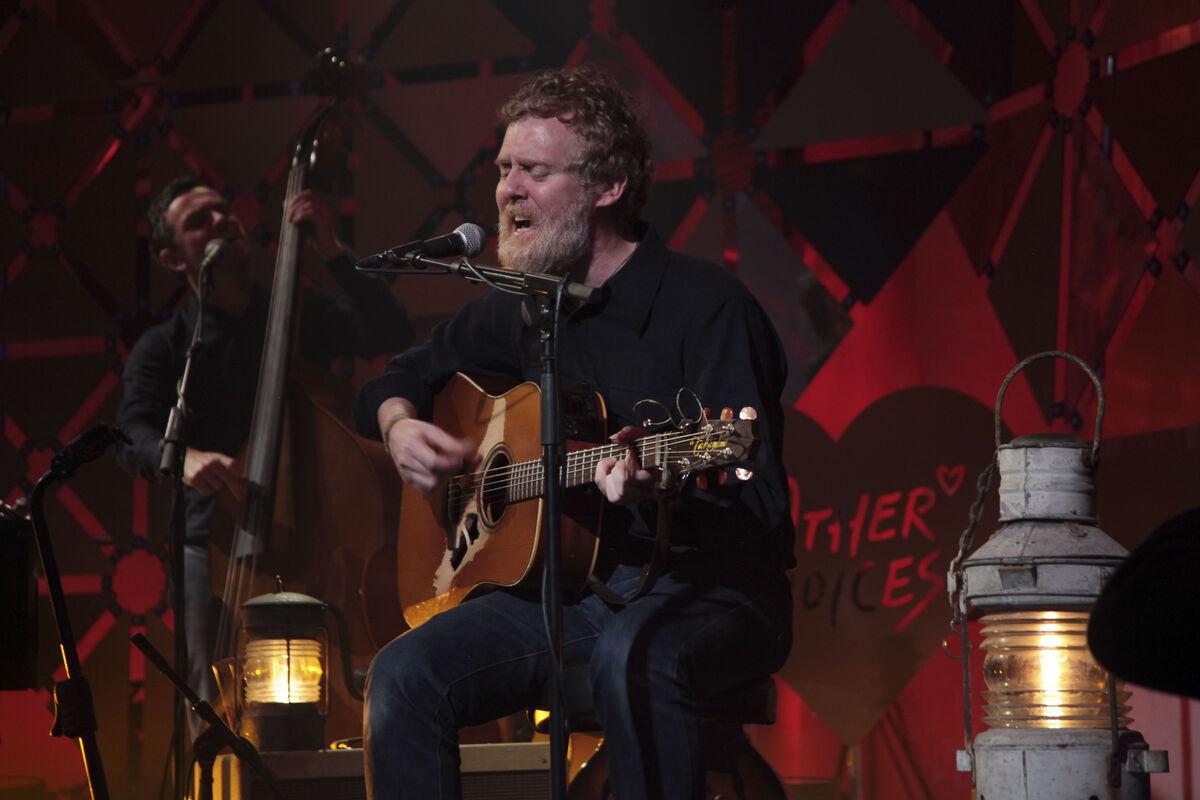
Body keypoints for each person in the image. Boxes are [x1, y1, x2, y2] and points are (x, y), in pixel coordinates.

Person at [354, 66, 795, 800]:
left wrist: (658, 493)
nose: (507, 191)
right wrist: (399, 425)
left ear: (609, 186)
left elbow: (760, 504)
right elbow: (396, 377)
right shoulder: (526, 307)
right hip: (572, 591)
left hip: (713, 589)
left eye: (534, 171)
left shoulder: (707, 306)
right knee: (405, 673)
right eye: (502, 171)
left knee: (632, 651)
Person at [115, 176, 414, 725]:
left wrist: (330, 249)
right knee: (215, 702)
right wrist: (182, 459)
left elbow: (388, 328)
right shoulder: (164, 348)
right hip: (220, 544)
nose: (220, 221)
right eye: (198, 221)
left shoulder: (295, 315)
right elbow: (129, 433)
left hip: (321, 539)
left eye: (222, 209)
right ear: (173, 258)